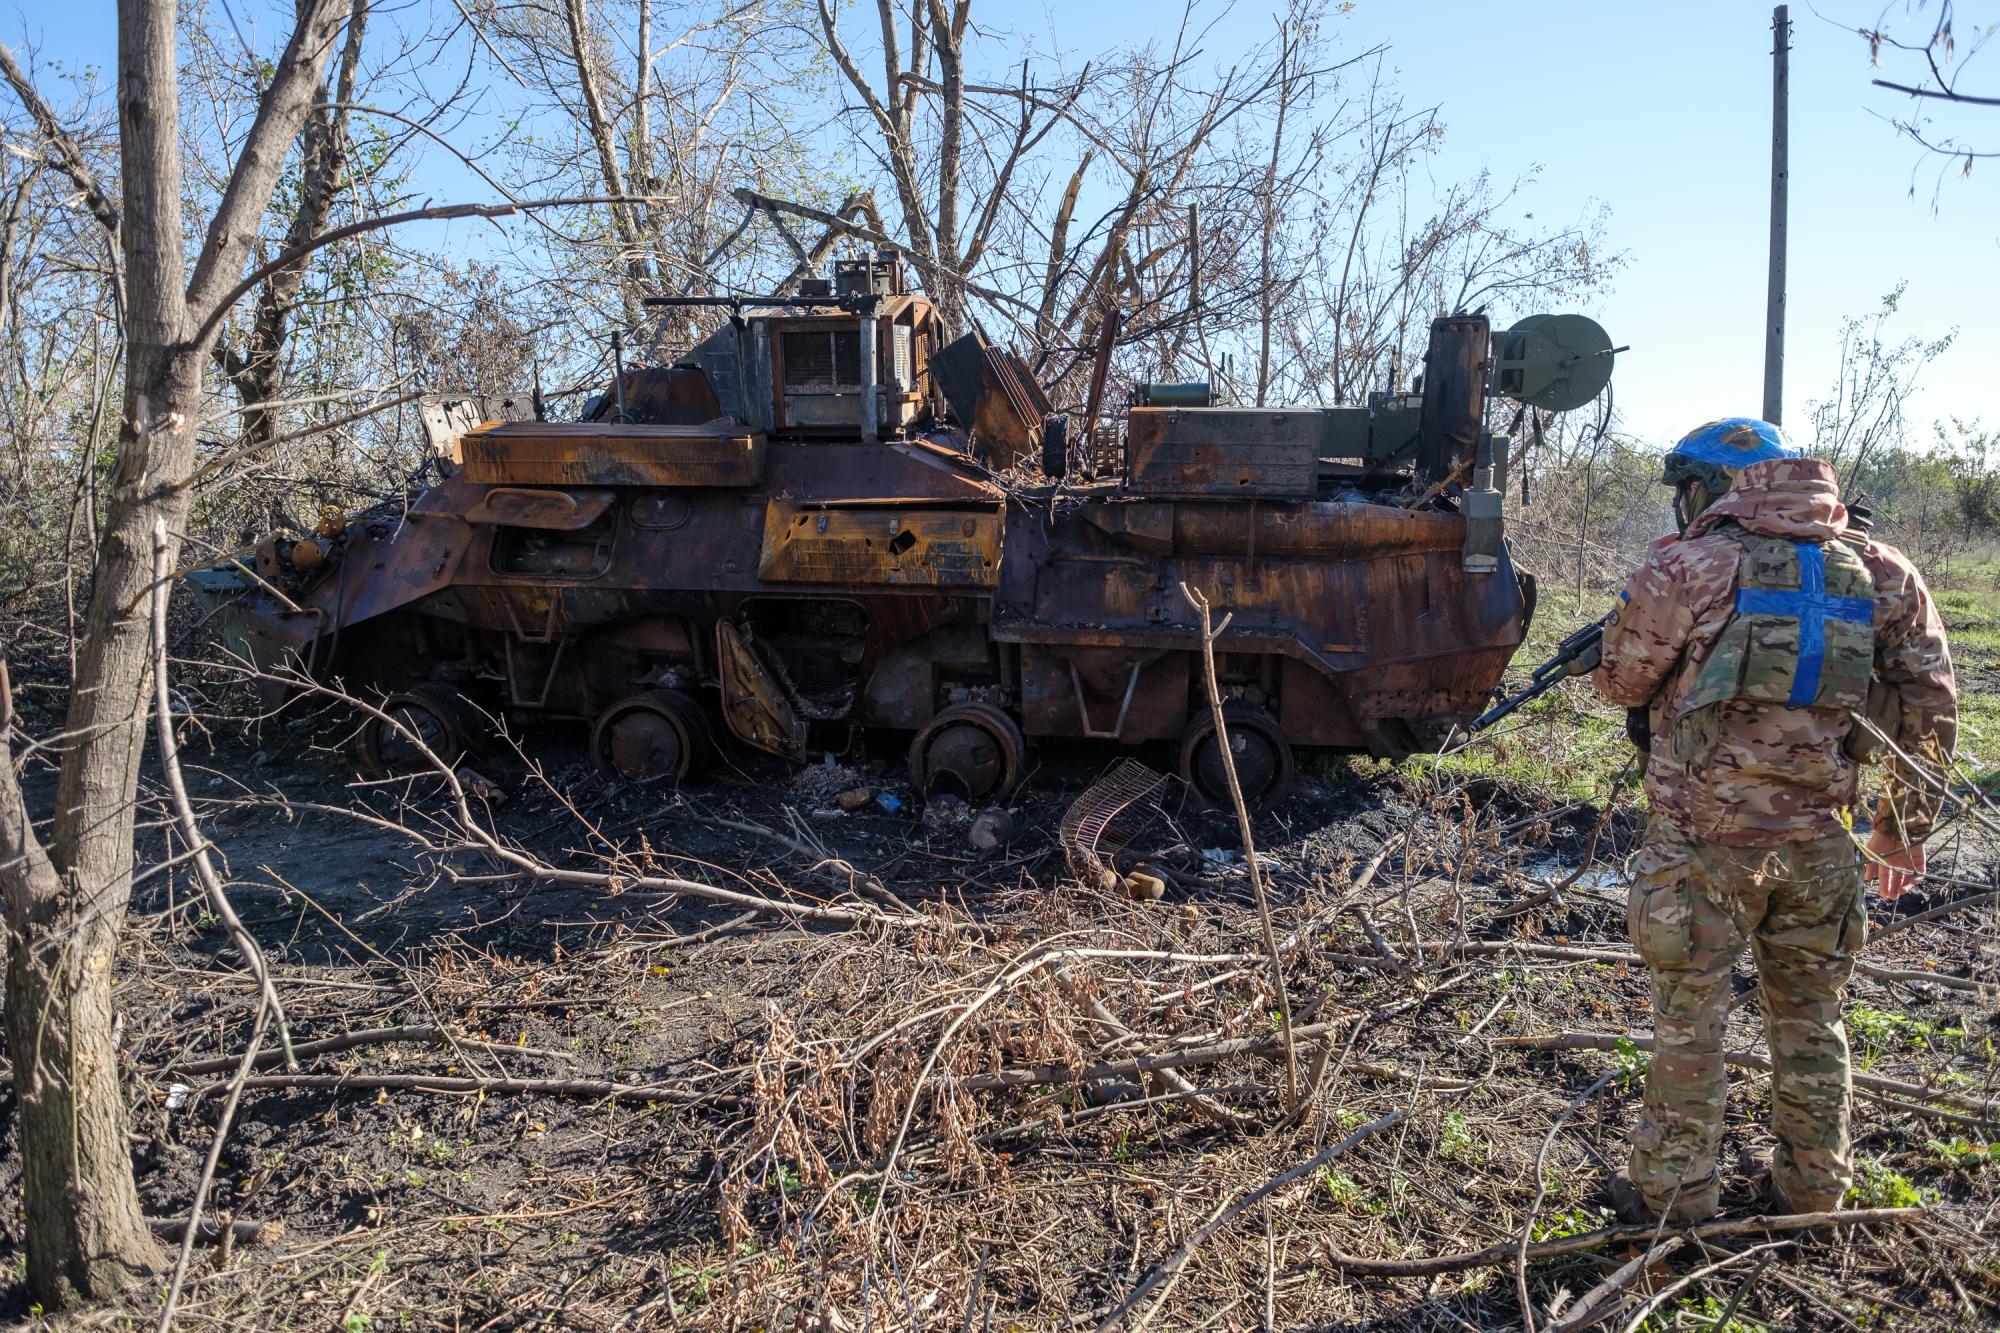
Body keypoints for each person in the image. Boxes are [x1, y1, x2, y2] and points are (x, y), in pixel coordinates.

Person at [1586, 417, 1956, 1223]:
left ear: (1701, 490)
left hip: (1703, 845)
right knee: (1813, 1015)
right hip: (1824, 840)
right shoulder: (1884, 568)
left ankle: (1677, 1202)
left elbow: (1620, 679)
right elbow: (1930, 702)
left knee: (1691, 1022)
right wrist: (1902, 828)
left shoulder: (1688, 564)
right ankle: (1814, 1192)